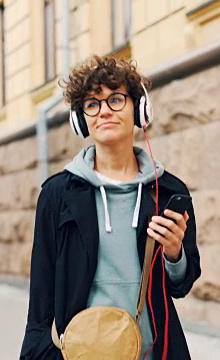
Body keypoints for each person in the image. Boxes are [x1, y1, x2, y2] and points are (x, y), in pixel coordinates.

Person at [19, 55, 201, 360]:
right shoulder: (58, 194)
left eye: (115, 99)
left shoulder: (167, 190)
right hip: (82, 353)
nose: (104, 111)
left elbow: (182, 283)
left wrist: (174, 254)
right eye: (92, 104)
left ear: (139, 109)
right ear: (81, 119)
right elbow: (41, 295)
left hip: (153, 352)